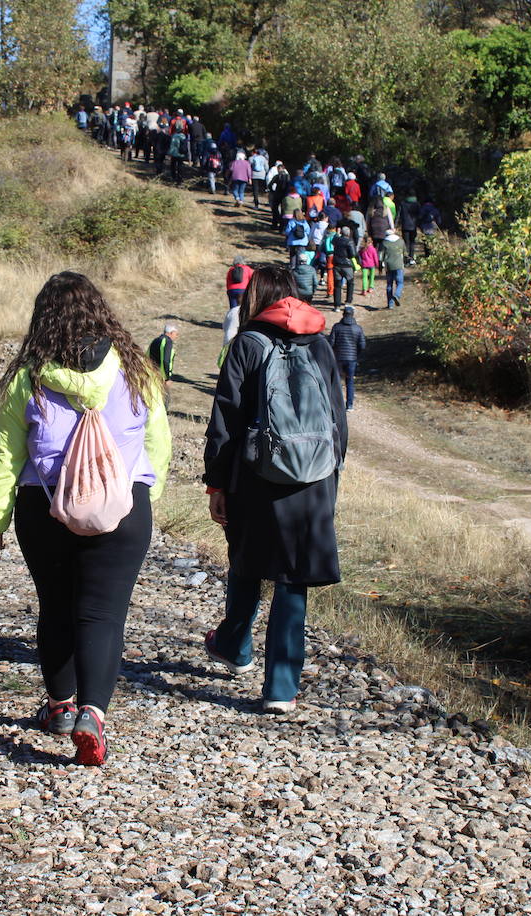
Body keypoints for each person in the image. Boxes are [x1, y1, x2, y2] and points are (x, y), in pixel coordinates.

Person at [0, 272, 170, 766]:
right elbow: (158, 444)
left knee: (56, 606)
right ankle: (93, 715)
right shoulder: (138, 370)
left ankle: (60, 706)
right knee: (102, 614)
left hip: (45, 506)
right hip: (123, 507)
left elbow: (4, 455)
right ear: (101, 314)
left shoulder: (29, 377)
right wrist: (143, 497)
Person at [202, 265, 347, 713]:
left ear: (256, 298)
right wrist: (330, 478)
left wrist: (217, 483)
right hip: (313, 480)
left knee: (247, 563)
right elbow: (338, 419)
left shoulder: (245, 344)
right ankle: (281, 689)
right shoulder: (321, 343)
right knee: (293, 578)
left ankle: (234, 645)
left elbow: (224, 421)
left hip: (255, 476)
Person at [328, 306, 366, 412]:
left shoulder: (336, 327)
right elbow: (362, 345)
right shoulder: (358, 328)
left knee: (336, 381)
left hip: (338, 358)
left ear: (343, 314)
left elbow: (330, 343)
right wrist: (356, 354)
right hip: (352, 359)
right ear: (352, 315)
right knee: (350, 381)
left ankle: (336, 404)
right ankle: (349, 405)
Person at [331, 225, 357, 310]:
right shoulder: (350, 241)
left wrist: (337, 234)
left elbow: (332, 240)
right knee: (350, 283)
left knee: (337, 285)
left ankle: (336, 305)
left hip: (337, 264)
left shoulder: (336, 240)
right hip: (347, 265)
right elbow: (353, 254)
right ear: (349, 233)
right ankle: (348, 302)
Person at [381, 229, 406, 308]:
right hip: (399, 265)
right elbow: (405, 252)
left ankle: (390, 304)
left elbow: (381, 255)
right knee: (400, 283)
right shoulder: (400, 241)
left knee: (389, 285)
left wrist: (380, 266)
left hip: (389, 266)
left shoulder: (384, 243)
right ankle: (397, 295)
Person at [399, 195, 421, 265]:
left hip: (405, 226)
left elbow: (399, 215)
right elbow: (419, 215)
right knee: (412, 242)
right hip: (413, 226)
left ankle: (406, 259)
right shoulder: (417, 204)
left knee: (406, 243)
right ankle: (411, 258)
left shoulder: (403, 204)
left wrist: (396, 224)